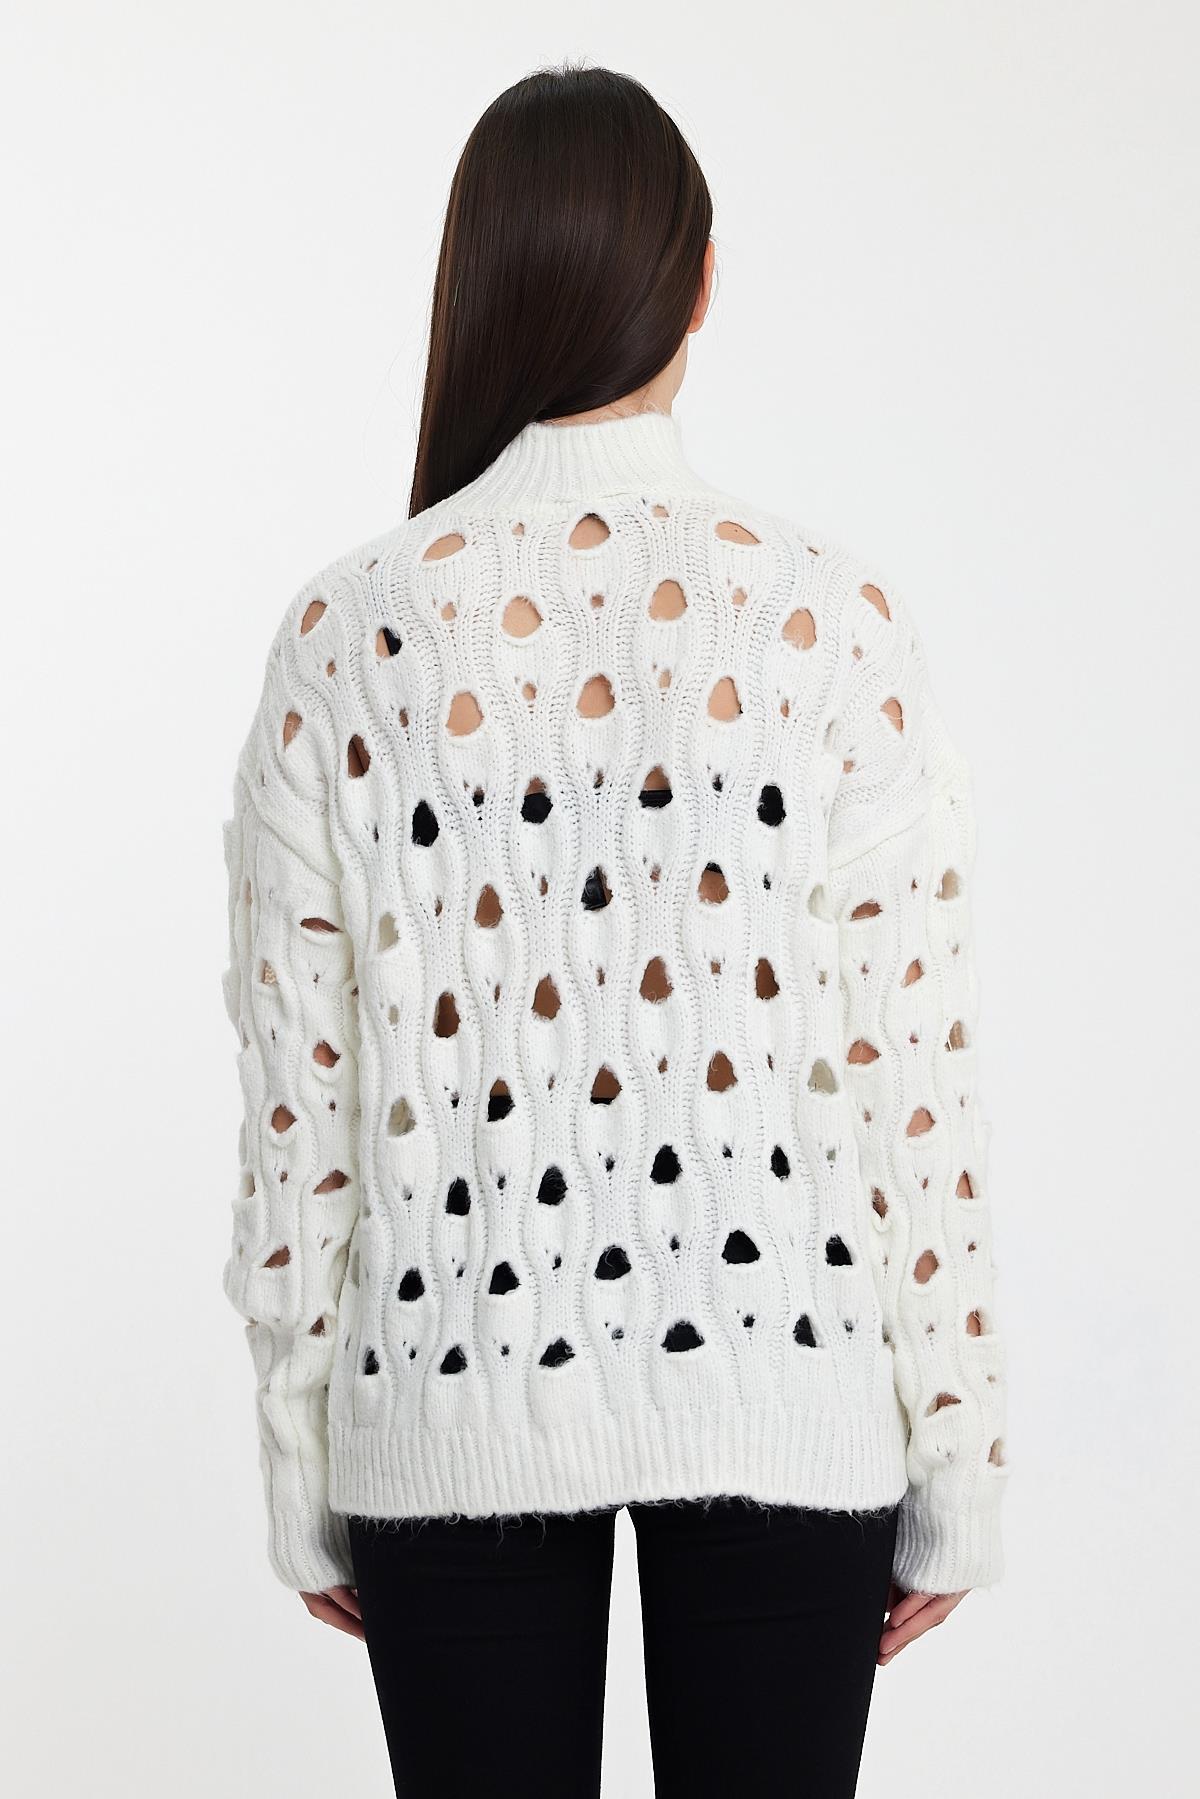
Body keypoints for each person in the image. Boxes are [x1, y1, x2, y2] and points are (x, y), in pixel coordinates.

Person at [220, 60, 1009, 1799]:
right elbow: (911, 1069)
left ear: (478, 281)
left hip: (442, 1390)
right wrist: (960, 1447)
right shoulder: (828, 616)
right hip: (787, 1375)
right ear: (701, 282)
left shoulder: (350, 634)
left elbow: (300, 1107)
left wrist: (299, 1456)